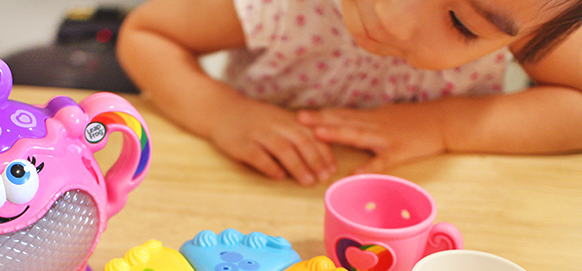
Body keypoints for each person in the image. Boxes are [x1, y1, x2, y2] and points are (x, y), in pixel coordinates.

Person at [116, 0, 582, 185]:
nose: (393, 18)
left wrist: (442, 126)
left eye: (463, 24)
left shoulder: (529, 12)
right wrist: (223, 113)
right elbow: (145, 34)